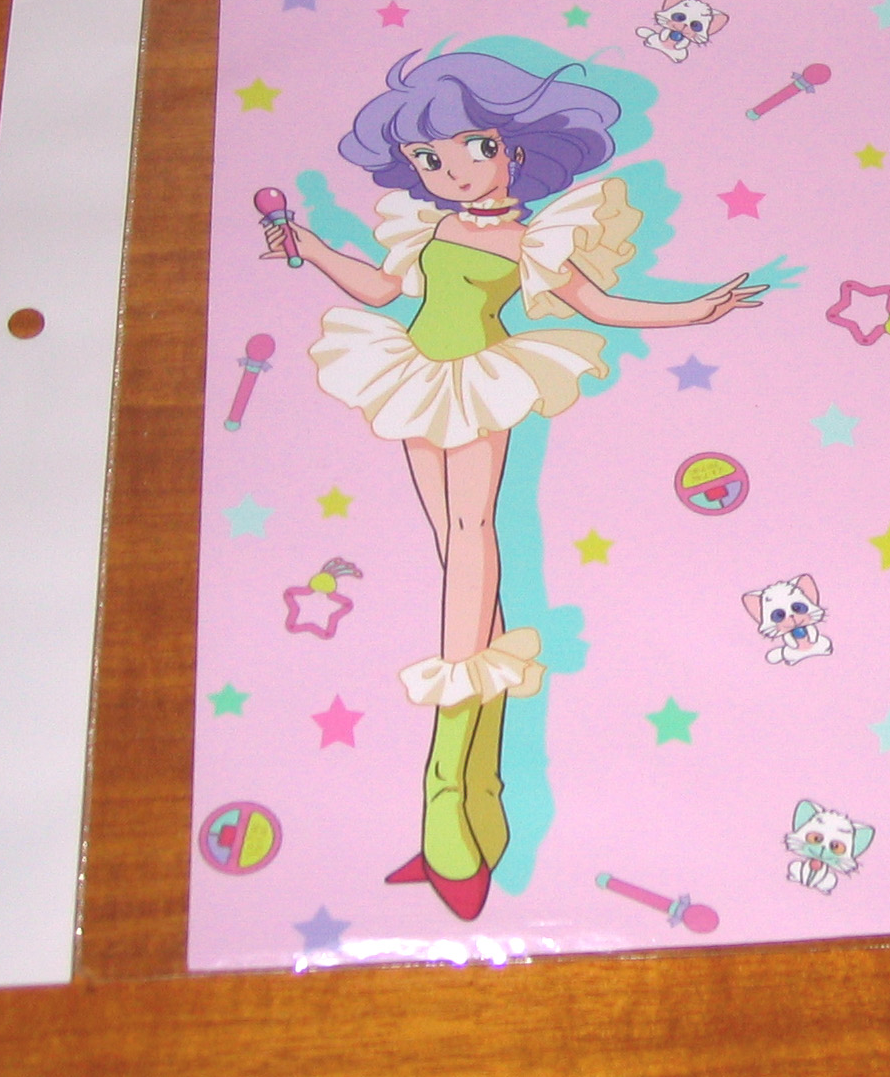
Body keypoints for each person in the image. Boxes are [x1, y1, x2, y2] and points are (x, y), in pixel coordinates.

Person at [264, 50, 764, 918]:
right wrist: (306, 246)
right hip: (413, 372)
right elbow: (380, 289)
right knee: (460, 567)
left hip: (478, 381)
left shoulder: (530, 241)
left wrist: (692, 308)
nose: (452, 170)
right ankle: (481, 812)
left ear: (514, 147)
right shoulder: (426, 227)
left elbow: (599, 306)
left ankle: (447, 820)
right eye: (429, 158)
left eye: (474, 146)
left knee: (470, 543)